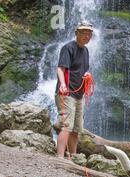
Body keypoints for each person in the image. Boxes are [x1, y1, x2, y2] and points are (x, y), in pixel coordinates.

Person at [54, 21, 93, 158]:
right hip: (67, 93)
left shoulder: (86, 51)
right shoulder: (68, 48)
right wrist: (62, 84)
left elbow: (83, 70)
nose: (86, 36)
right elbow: (60, 68)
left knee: (76, 129)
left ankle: (73, 157)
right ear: (77, 33)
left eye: (89, 33)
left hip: (79, 94)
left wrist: (87, 75)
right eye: (83, 33)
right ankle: (60, 157)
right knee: (66, 126)